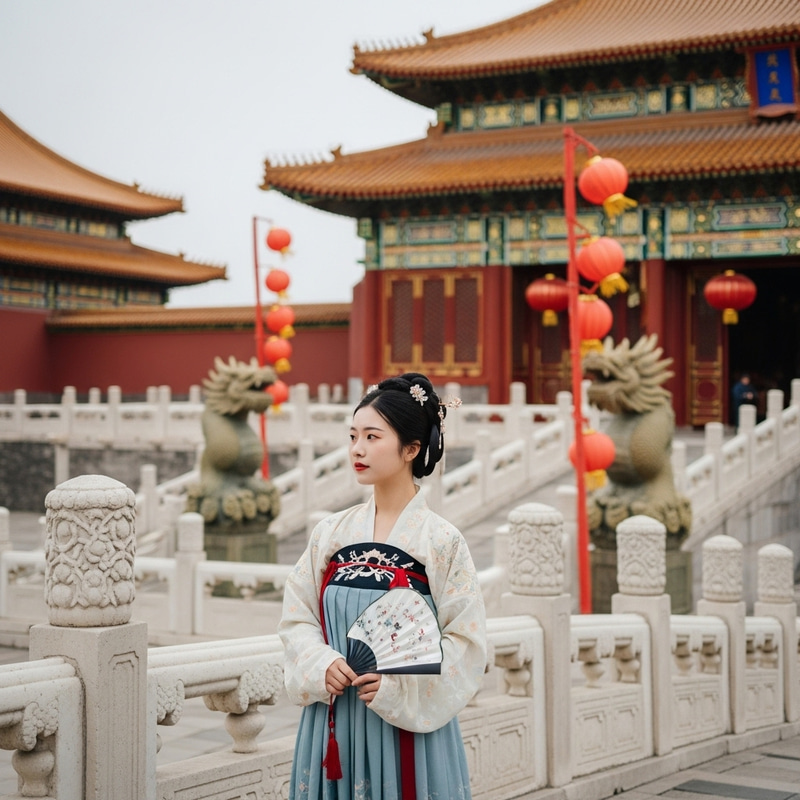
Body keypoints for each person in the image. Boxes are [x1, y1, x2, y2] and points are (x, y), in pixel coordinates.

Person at [279, 372, 487, 800]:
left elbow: (466, 642)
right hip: (333, 717)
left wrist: (398, 688)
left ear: (411, 449)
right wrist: (320, 662)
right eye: (353, 435)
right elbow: (297, 616)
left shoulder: (442, 541)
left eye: (373, 436)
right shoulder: (330, 533)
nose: (357, 448)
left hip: (405, 724)